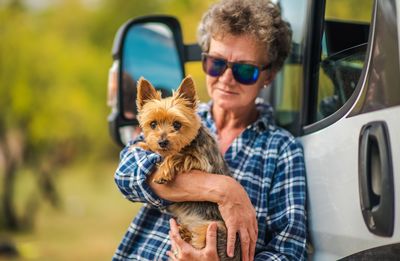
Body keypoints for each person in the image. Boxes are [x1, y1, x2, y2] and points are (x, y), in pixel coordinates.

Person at [112, 0, 307, 260]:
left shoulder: (282, 150)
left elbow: (288, 252)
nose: (226, 79)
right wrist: (224, 189)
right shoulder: (179, 116)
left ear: (269, 75)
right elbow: (125, 174)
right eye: (216, 64)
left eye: (245, 70)